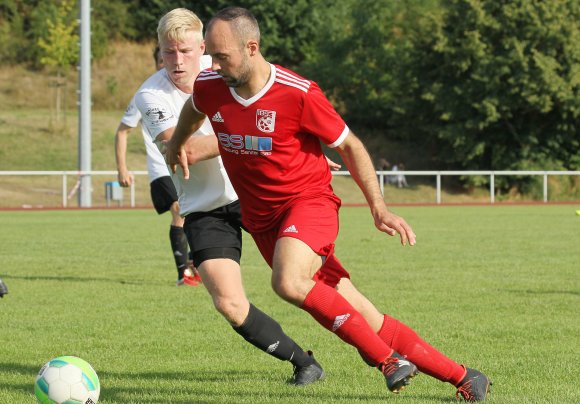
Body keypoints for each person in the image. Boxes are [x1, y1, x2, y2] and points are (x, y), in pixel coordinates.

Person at [166, 7, 491, 401]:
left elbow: (350, 146)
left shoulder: (298, 93)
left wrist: (379, 207)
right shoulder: (211, 85)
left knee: (288, 282)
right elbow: (194, 109)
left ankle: (387, 361)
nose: (212, 64)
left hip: (309, 203)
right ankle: (465, 377)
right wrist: (180, 143)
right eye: (212, 57)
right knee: (363, 315)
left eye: (221, 56)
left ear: (252, 47)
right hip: (265, 223)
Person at [133, 8, 325, 386]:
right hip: (205, 208)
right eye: (168, 52)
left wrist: (297, 144)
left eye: (186, 51)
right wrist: (251, 135)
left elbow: (282, 103)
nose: (177, 61)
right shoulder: (150, 96)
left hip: (257, 194)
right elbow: (180, 150)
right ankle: (303, 362)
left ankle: (380, 347)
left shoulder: (225, 63)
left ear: (202, 47)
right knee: (229, 304)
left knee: (312, 278)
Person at [114, 45, 201, 287]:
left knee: (194, 211)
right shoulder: (146, 94)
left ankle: (197, 264)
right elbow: (122, 131)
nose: (170, 64)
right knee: (178, 210)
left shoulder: (189, 88)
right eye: (163, 60)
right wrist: (122, 168)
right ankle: (183, 273)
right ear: (156, 63)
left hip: (186, 163)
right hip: (161, 168)